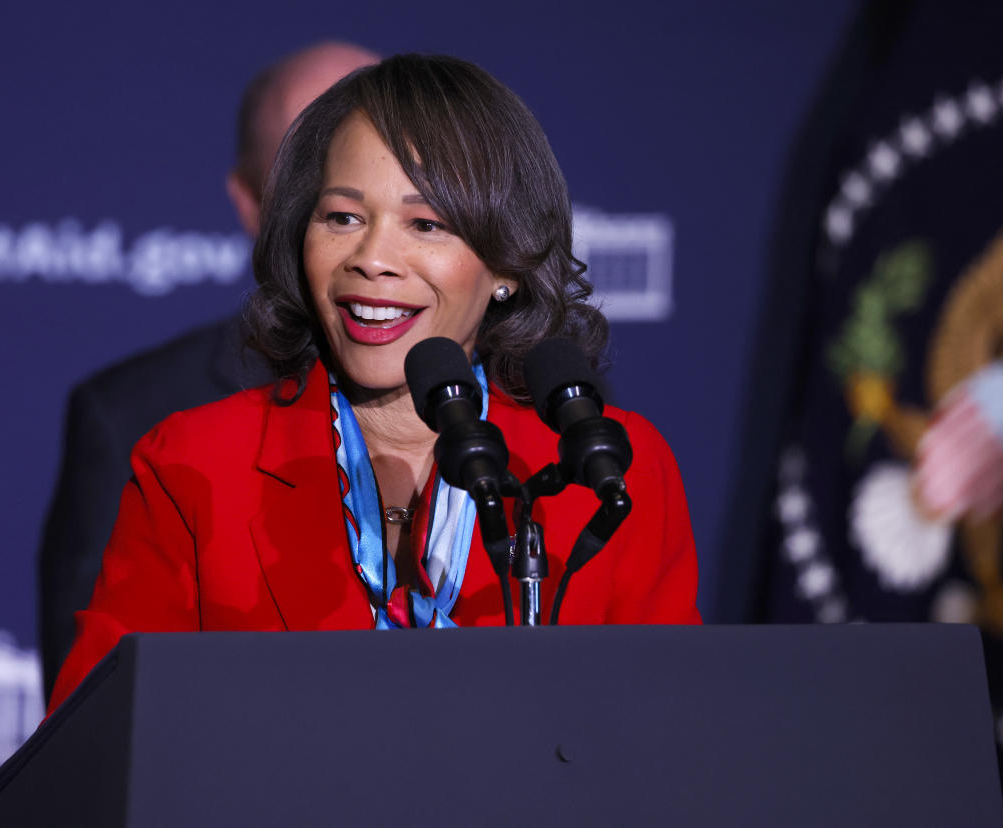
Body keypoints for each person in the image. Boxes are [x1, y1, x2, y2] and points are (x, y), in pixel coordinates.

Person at [47, 54, 701, 715]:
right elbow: (94, 756)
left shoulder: (611, 475)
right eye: (342, 218)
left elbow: (674, 749)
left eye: (426, 224)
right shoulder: (192, 464)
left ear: (507, 261)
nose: (372, 260)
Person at [36, 41, 378, 697]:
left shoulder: (541, 402)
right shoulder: (135, 419)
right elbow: (96, 731)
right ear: (251, 203)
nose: (361, 225)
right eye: (314, 181)